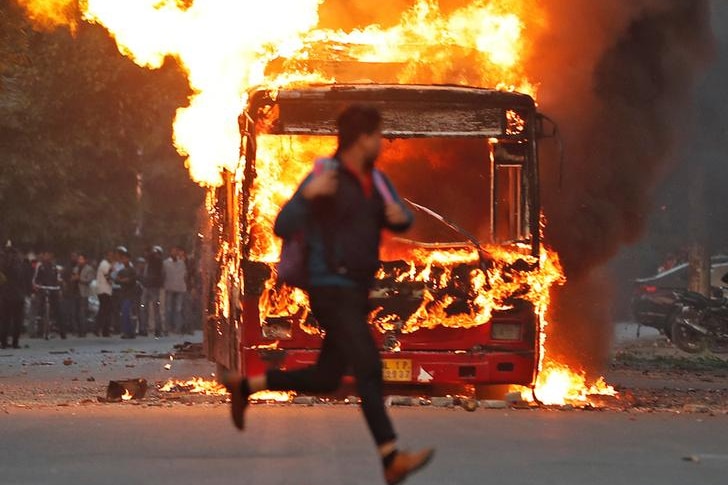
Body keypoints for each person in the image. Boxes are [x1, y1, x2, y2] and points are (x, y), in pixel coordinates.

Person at [221, 104, 433, 484]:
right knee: (368, 367)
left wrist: (399, 218)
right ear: (361, 139)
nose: (382, 144)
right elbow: (283, 224)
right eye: (377, 137)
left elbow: (402, 217)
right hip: (329, 289)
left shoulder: (377, 181)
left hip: (357, 290)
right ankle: (391, 458)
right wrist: (308, 198)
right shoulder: (325, 174)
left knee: (325, 377)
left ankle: (247, 386)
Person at [32, 251, 65, 339]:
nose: (47, 257)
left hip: (53, 289)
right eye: (46, 255)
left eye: (49, 255)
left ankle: (62, 331)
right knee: (40, 309)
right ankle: (39, 330)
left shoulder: (55, 267)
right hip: (43, 288)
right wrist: (36, 286)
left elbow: (58, 278)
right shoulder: (40, 266)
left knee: (58, 310)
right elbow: (35, 278)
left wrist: (59, 287)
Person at [1, 247, 28, 349]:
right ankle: (15, 342)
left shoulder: (4, 266)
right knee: (17, 320)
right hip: (18, 296)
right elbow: (25, 281)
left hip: (6, 295)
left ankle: (3, 342)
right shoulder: (21, 266)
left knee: (5, 320)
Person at [141, 246, 165, 337]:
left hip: (154, 287)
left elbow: (161, 274)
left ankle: (157, 329)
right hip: (146, 286)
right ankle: (144, 329)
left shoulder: (157, 261)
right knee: (143, 307)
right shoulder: (148, 262)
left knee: (155, 308)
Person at [163, 246, 187, 334]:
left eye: (175, 251)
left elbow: (185, 274)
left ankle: (178, 328)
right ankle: (167, 328)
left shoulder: (181, 263)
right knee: (168, 309)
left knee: (178, 309)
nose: (174, 253)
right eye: (172, 251)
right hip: (169, 287)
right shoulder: (165, 263)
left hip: (180, 288)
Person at [115, 249, 138, 339]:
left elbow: (132, 280)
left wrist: (123, 280)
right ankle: (127, 331)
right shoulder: (121, 271)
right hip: (123, 294)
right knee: (124, 313)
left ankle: (130, 331)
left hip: (131, 294)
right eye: (122, 259)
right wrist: (123, 280)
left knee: (127, 313)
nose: (124, 261)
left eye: (125, 259)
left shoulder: (132, 270)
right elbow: (117, 280)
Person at [95, 250, 114, 337]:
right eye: (109, 256)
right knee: (104, 311)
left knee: (104, 311)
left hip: (105, 290)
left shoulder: (106, 264)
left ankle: (102, 329)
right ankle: (102, 330)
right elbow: (108, 277)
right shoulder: (104, 264)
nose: (111, 257)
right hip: (104, 290)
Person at [76, 254, 95, 337]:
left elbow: (89, 280)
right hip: (76, 292)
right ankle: (77, 330)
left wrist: (79, 279)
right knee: (76, 312)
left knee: (82, 312)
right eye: (79, 259)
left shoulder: (89, 269)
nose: (80, 261)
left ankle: (83, 331)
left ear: (85, 260)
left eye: (81, 259)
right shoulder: (76, 268)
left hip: (84, 293)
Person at [60, 252, 80, 337]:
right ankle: (71, 329)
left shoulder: (75, 267)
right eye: (74, 257)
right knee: (69, 312)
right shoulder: (68, 267)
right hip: (68, 293)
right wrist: (71, 280)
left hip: (74, 292)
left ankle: (72, 329)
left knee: (73, 312)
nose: (76, 259)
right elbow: (64, 279)